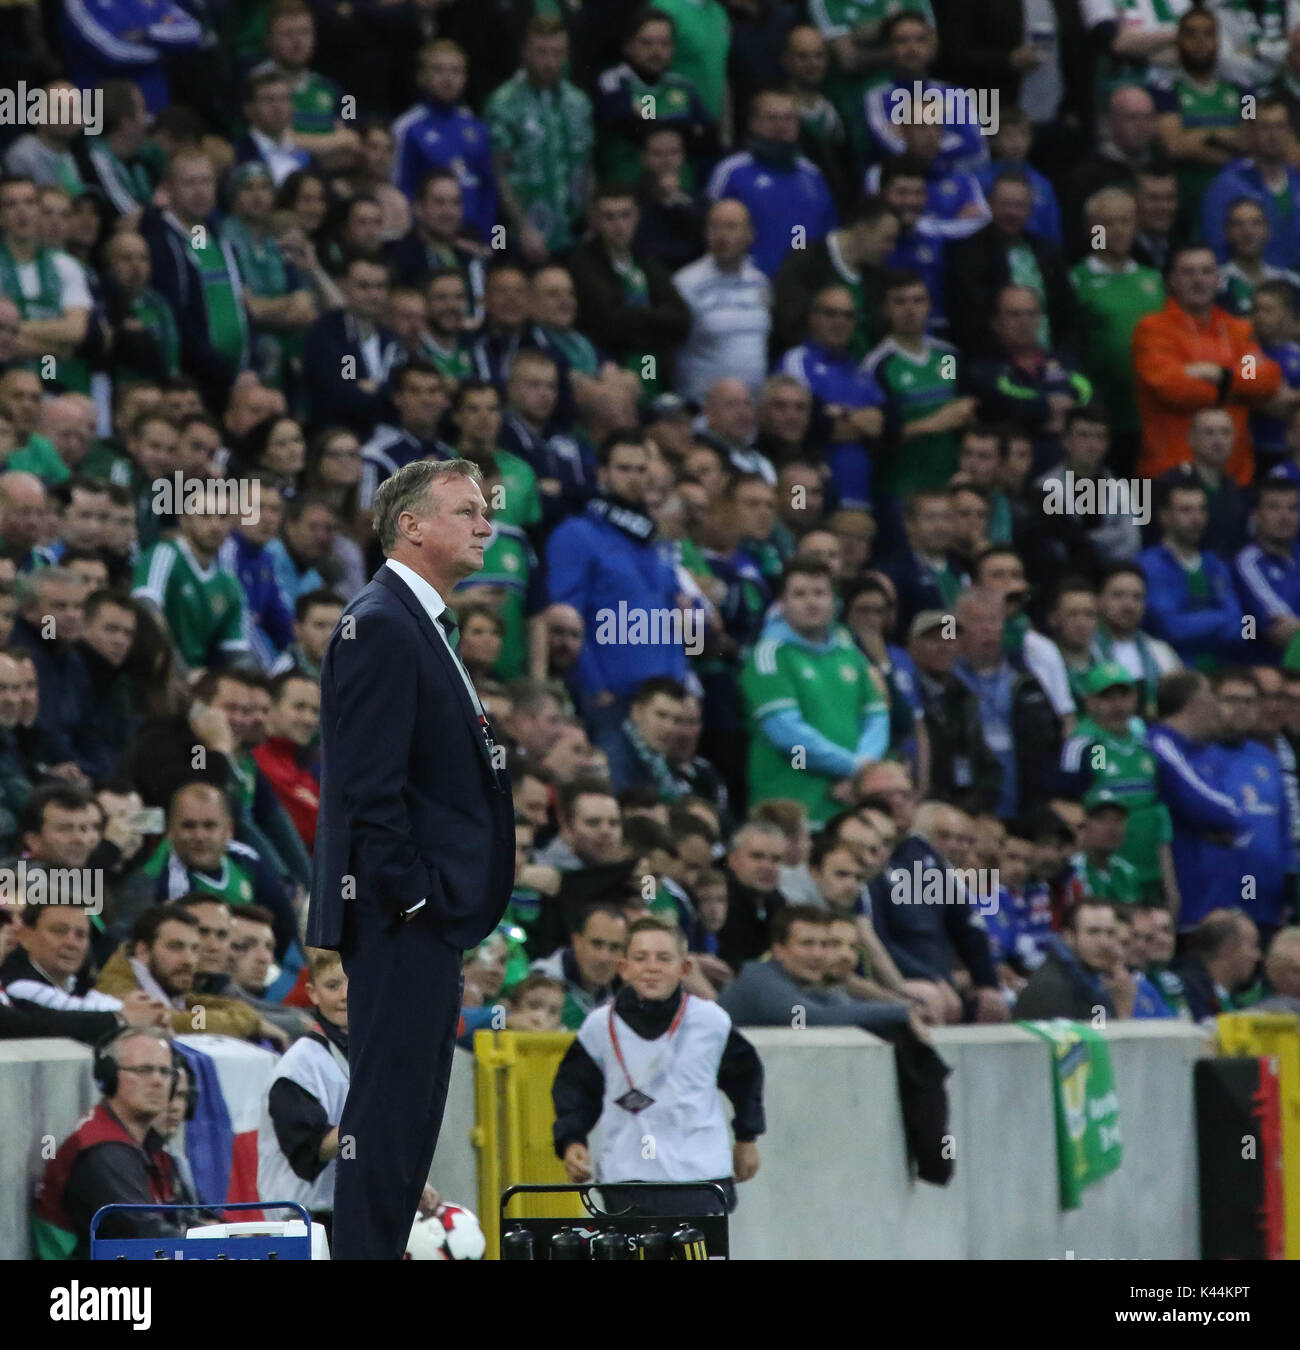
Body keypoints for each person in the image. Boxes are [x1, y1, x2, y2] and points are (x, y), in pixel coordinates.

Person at [306, 457, 515, 1261]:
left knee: (409, 1118)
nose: (485, 525)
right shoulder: (384, 624)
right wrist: (414, 900)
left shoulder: (414, 620)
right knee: (388, 1122)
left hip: (421, 918)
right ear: (412, 526)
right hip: (400, 918)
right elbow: (369, 789)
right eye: (465, 511)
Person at [554, 916, 763, 1219]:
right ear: (622, 967)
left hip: (700, 1178)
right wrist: (572, 1139)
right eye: (640, 958)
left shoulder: (710, 1021)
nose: (651, 967)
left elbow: (746, 1077)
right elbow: (574, 1087)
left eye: (664, 958)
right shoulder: (599, 1026)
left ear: (685, 969)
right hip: (625, 1177)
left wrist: (747, 1138)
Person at [742, 558, 888, 825]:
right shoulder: (770, 655)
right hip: (790, 810)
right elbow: (787, 734)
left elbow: (877, 715)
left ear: (835, 601)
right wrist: (855, 768)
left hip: (847, 806)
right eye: (799, 594)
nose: (811, 602)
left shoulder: (850, 651)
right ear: (782, 603)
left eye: (820, 593)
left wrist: (862, 768)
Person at [31, 1028, 187, 1259]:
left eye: (165, 1072)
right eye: (143, 1070)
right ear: (109, 1075)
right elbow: (147, 1241)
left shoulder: (146, 1145)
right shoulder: (104, 1152)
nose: (157, 1081)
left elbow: (180, 1215)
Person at [1133, 245, 1281, 486]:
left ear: (1217, 278)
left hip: (1234, 474)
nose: (1198, 280)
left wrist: (1218, 375)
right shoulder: (1152, 330)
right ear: (1172, 280)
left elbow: (1263, 379)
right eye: (1188, 272)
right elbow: (1173, 389)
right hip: (1171, 474)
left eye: (1206, 271)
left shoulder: (1239, 329)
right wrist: (1236, 390)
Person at [257, 946, 355, 1238]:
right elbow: (311, 1151)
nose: (345, 995)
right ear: (312, 993)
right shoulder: (299, 1066)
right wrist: (369, 1123)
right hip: (298, 1226)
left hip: (346, 1217)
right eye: (333, 985)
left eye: (355, 982)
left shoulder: (365, 1057)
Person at [1147, 670, 1243, 931]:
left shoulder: (1202, 752)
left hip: (1212, 901)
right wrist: (1219, 823)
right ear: (1194, 705)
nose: (1218, 711)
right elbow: (1224, 811)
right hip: (1185, 898)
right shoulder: (1160, 745)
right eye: (1213, 700)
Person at [707, 89, 837, 280]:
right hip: (747, 284)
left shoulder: (812, 174)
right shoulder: (732, 171)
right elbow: (711, 230)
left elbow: (829, 231)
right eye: (772, 118)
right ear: (753, 122)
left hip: (804, 287)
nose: (781, 125)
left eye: (788, 118)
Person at [672, 199, 771, 403]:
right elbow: (663, 350)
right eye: (715, 227)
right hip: (702, 408)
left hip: (751, 409)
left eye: (731, 227)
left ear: (750, 235)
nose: (722, 235)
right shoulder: (685, 283)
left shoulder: (760, 283)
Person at [1013, 899, 1127, 1021]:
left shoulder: (1098, 983)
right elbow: (1095, 1038)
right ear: (1069, 936)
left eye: (1110, 933)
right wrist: (1122, 1010)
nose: (1104, 943)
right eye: (1093, 932)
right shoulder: (1050, 989)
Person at [530, 902, 627, 1029]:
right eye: (596, 944)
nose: (604, 957)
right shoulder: (540, 981)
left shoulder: (618, 992)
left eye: (615, 947)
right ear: (577, 942)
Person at [1171, 908, 1262, 1020]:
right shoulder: (1185, 992)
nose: (1257, 956)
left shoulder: (1232, 999)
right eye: (1253, 946)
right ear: (1228, 948)